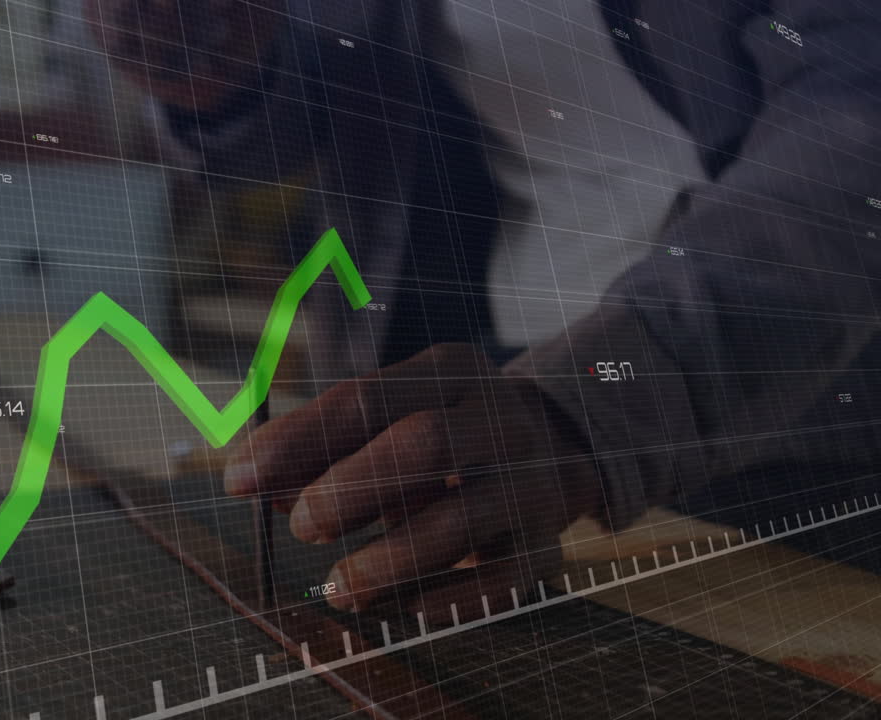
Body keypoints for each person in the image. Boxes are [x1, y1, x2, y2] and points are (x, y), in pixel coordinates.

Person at [90, 0, 881, 620]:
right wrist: (220, 82)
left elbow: (852, 142)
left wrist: (591, 410)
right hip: (499, 381)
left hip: (793, 399)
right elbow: (308, 117)